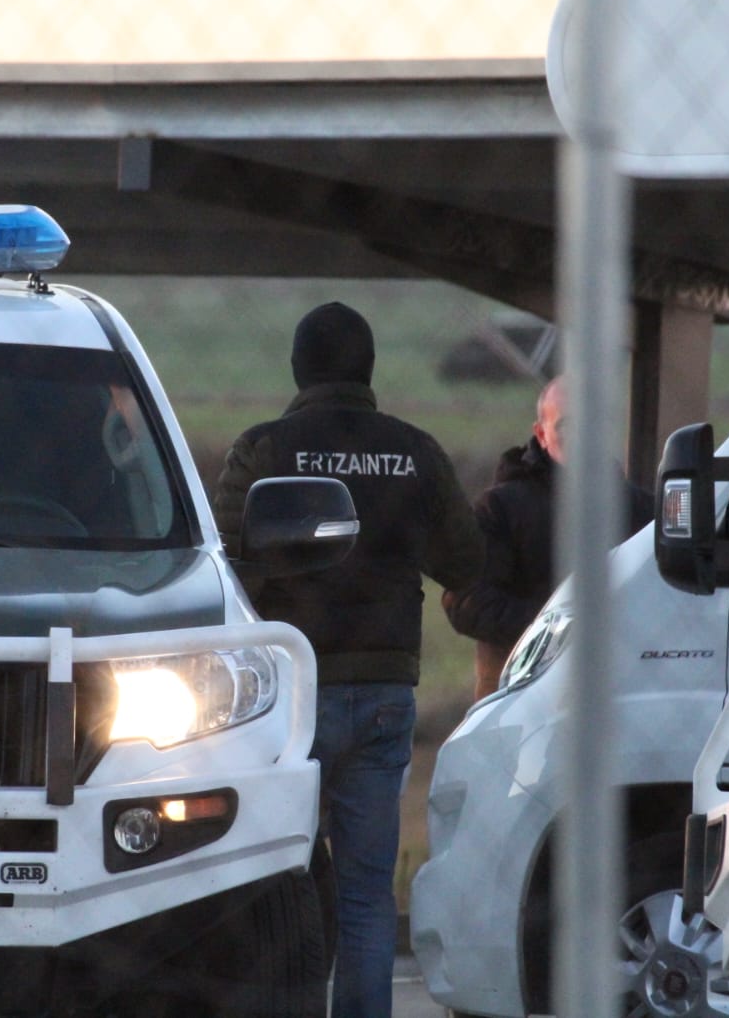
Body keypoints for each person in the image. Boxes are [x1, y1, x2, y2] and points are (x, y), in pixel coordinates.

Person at [213, 300, 483, 1018]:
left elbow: (221, 569)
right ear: (368, 368)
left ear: (298, 368)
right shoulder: (415, 451)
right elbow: (465, 562)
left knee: (276, 884)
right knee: (367, 896)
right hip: (383, 695)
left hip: (288, 699)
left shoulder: (265, 448)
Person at [443, 375, 652, 702]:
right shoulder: (501, 508)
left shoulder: (639, 509)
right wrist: (559, 630)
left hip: (617, 694)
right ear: (541, 434)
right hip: (519, 696)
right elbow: (467, 603)